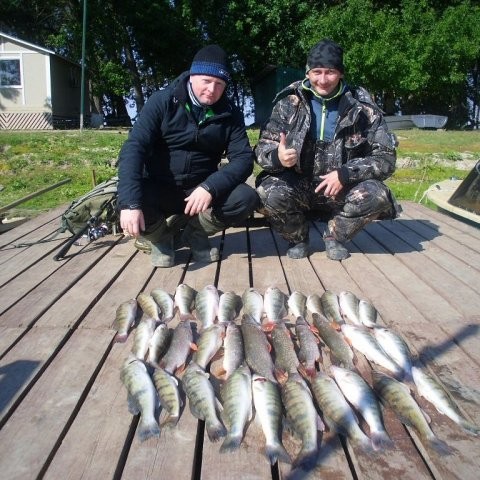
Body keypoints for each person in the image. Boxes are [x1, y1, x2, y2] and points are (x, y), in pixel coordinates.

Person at [255, 39, 401, 261]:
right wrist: (278, 156)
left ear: (341, 73)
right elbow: (262, 148)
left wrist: (346, 174)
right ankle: (298, 238)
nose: (322, 80)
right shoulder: (288, 103)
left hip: (341, 189)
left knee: (378, 194)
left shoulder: (363, 108)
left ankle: (334, 236)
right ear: (308, 72)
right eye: (317, 72)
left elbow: (385, 157)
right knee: (267, 192)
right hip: (299, 186)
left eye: (330, 72)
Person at [117, 44, 259, 267]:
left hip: (200, 191)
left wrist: (210, 187)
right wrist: (129, 204)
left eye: (219, 84)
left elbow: (243, 160)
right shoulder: (162, 101)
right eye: (206, 81)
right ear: (192, 76)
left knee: (246, 197)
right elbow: (134, 149)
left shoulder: (230, 112)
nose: (212, 90)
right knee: (131, 196)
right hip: (159, 187)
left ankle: (195, 234)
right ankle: (161, 239)